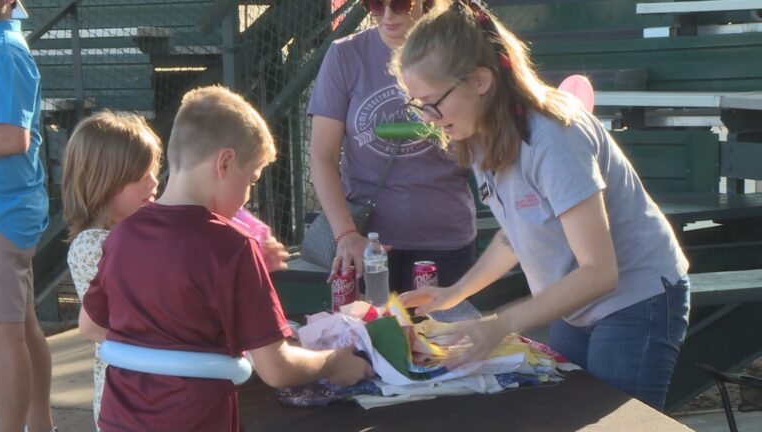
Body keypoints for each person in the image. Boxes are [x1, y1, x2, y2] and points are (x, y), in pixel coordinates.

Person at [395, 1, 690, 410]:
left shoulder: (553, 135)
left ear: (480, 80)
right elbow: (519, 232)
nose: (428, 117)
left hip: (635, 299)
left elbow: (600, 272)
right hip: (576, 305)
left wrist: (501, 324)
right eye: (417, 104)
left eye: (432, 102)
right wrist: (454, 293)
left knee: (615, 419)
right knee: (562, 410)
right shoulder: (477, 131)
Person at [77, 86, 374, 432]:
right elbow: (277, 368)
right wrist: (335, 363)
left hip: (119, 420)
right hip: (196, 419)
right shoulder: (232, 246)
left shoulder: (122, 237)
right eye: (251, 180)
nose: (247, 195)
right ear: (225, 162)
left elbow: (91, 325)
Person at [308, 0, 478, 292]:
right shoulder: (345, 55)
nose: (387, 15)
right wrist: (345, 233)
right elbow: (322, 155)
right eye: (374, 4)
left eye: (400, 3)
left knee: (441, 334)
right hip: (369, 244)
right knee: (375, 335)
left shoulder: (456, 51)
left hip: (446, 240)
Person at [62, 111, 162, 431]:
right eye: (140, 174)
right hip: (128, 399)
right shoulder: (93, 244)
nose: (154, 181)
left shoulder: (148, 232)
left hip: (163, 389)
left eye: (153, 170)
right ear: (105, 182)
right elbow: (123, 320)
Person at [0, 1, 56, 431]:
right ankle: (42, 424)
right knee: (22, 325)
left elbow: (12, 137)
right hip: (8, 208)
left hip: (5, 213)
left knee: (4, 335)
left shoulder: (4, 51)